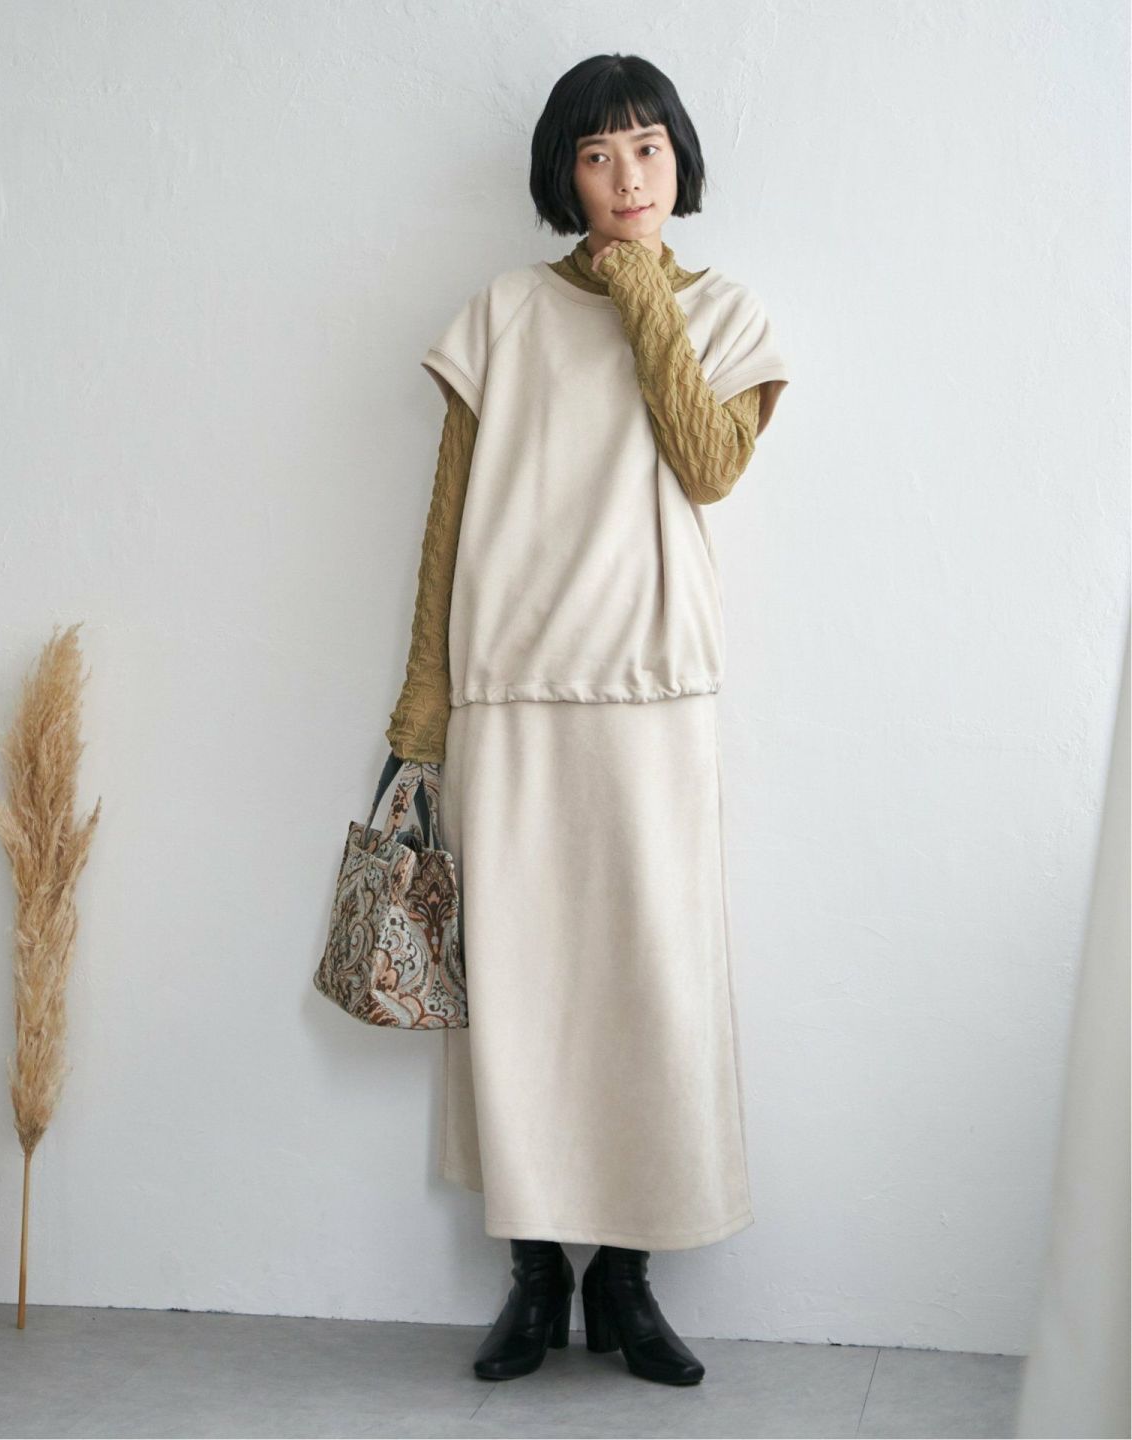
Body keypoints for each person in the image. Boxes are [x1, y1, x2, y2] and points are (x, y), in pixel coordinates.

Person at [385, 52, 790, 1387]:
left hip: (654, 694)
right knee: (516, 998)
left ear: (680, 160)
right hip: (508, 696)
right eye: (598, 153)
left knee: (650, 988)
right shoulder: (501, 313)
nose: (626, 177)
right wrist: (421, 710)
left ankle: (628, 1281)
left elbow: (709, 465)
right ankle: (532, 1279)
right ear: (563, 172)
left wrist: (640, 290)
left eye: (647, 148)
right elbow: (447, 522)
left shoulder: (723, 312)